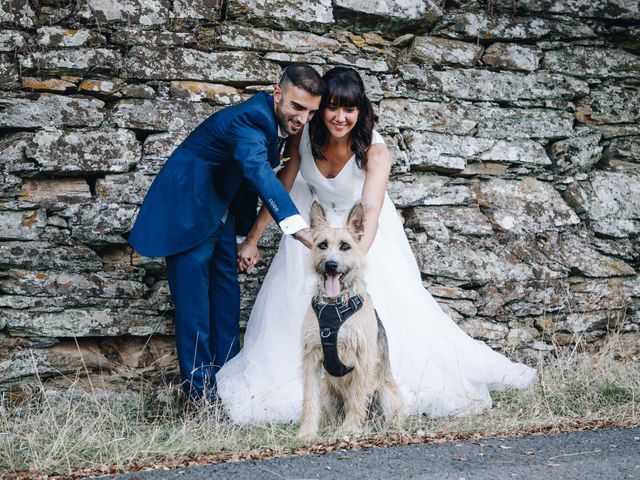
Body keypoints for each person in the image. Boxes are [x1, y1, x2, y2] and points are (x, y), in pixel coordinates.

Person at [216, 67, 536, 423]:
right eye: (332, 108)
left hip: (361, 237)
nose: (340, 117)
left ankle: (372, 391)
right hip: (315, 237)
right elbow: (284, 187)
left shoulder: (375, 151)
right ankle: (308, 396)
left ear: (360, 110)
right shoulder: (304, 135)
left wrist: (351, 261)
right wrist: (253, 239)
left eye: (349, 109)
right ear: (321, 109)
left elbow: (370, 209)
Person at [128, 64, 324, 402]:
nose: (302, 119)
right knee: (194, 312)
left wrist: (242, 238)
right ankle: (200, 399)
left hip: (221, 219)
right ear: (277, 95)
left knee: (226, 304)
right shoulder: (249, 120)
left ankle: (230, 389)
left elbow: (242, 182)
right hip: (188, 216)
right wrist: (298, 228)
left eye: (311, 112)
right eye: (297, 107)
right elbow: (258, 174)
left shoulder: (277, 123)